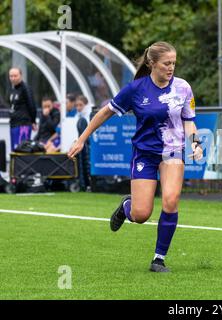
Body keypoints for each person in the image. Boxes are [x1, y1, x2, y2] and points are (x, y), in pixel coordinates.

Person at [68, 41, 202, 272]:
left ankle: (158, 259)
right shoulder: (136, 89)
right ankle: (126, 206)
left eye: (174, 63)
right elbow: (105, 112)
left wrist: (196, 144)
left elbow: (188, 121)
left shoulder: (183, 87)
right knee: (140, 215)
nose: (171, 68)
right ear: (152, 64)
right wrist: (82, 138)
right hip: (145, 154)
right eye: (166, 64)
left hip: (172, 152)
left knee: (170, 201)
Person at [7, 67, 37, 151]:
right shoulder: (13, 89)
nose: (13, 78)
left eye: (15, 76)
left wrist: (33, 121)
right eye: (11, 76)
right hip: (14, 123)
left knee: (22, 149)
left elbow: (32, 105)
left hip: (23, 124)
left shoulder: (26, 88)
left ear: (21, 75)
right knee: (14, 149)